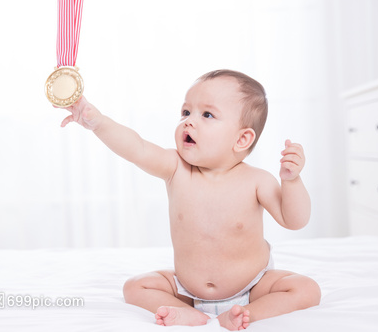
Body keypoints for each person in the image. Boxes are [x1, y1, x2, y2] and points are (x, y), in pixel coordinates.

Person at [59, 69, 321, 330]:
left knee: (306, 289)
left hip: (253, 287)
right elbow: (136, 148)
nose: (189, 121)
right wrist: (99, 122)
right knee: (135, 287)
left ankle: (246, 313)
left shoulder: (258, 180)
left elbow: (294, 220)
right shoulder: (176, 168)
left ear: (242, 139)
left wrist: (291, 181)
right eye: (186, 112)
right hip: (187, 289)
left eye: (207, 114)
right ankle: (187, 314)